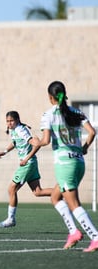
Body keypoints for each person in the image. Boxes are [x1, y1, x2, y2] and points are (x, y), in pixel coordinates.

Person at [37, 80, 98, 252]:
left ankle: (95, 237)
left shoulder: (48, 115)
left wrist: (36, 141)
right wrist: (84, 148)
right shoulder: (76, 112)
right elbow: (92, 132)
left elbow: (46, 140)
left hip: (64, 164)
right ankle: (73, 232)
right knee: (55, 197)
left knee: (74, 204)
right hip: (79, 162)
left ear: (50, 97)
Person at [0, 111, 52, 228]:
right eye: (7, 121)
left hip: (28, 164)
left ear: (17, 120)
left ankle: (11, 219)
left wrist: (27, 158)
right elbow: (15, 142)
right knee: (38, 192)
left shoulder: (21, 130)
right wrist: (5, 151)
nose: (9, 123)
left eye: (11, 121)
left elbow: (35, 144)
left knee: (11, 189)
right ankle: (64, 192)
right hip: (31, 163)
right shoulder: (13, 130)